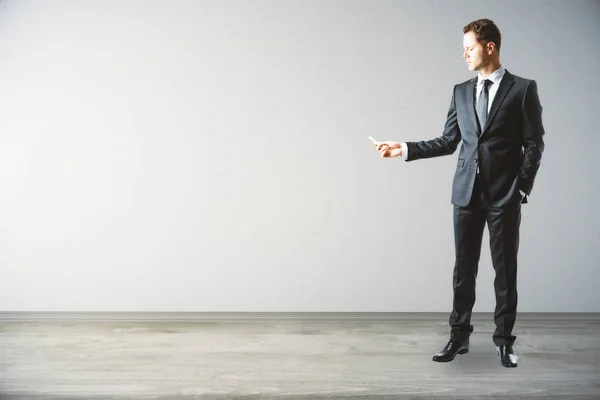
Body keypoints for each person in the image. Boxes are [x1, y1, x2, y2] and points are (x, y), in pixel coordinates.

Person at [374, 18, 544, 368]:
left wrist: (521, 189)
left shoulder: (523, 89)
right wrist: (403, 148)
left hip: (504, 195)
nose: (465, 55)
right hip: (465, 193)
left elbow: (534, 144)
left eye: (470, 48)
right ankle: (458, 337)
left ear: (490, 47)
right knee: (463, 270)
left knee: (505, 271)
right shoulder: (460, 91)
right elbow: (449, 141)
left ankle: (503, 342)